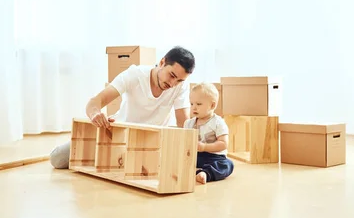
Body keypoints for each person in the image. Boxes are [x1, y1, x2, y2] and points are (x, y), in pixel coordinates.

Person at [49, 46, 196, 169]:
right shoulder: (135, 74)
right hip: (120, 136)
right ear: (162, 62)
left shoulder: (180, 86)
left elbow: (183, 124)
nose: (172, 84)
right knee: (58, 158)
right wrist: (95, 114)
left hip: (152, 141)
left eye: (179, 80)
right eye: (171, 75)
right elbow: (95, 102)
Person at [184, 82, 234, 184]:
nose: (194, 107)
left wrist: (204, 147)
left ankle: (206, 173)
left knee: (227, 164)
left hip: (214, 157)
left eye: (198, 104)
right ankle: (186, 171)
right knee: (179, 159)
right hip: (196, 156)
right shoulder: (189, 123)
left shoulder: (218, 122)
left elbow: (223, 144)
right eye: (191, 104)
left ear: (212, 105)